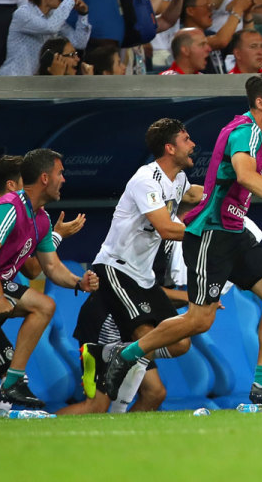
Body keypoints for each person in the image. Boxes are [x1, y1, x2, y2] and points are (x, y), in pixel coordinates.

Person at [102, 73, 262, 407]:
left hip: (235, 231)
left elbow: (258, 171)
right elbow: (246, 174)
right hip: (211, 234)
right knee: (199, 320)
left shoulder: (255, 133)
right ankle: (126, 353)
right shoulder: (244, 131)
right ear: (261, 102)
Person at [0, 150, 99, 417]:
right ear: (45, 178)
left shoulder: (42, 219)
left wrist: (78, 282)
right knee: (43, 306)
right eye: (61, 173)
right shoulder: (9, 208)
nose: (64, 179)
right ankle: (14, 382)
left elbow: (49, 267)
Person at [65, 119, 202, 415]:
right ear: (169, 148)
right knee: (98, 403)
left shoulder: (178, 180)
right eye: (187, 139)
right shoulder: (146, 179)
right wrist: (209, 234)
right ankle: (38, 426)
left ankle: (118, 356)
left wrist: (238, 190)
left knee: (178, 346)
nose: (193, 144)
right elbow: (166, 228)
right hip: (115, 269)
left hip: (143, 277)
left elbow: (195, 195)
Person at [0, 0, 91, 76]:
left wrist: (83, 15)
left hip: (33, 85)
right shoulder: (23, 14)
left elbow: (79, 42)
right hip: (12, 83)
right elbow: (50, 28)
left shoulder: (53, 17)